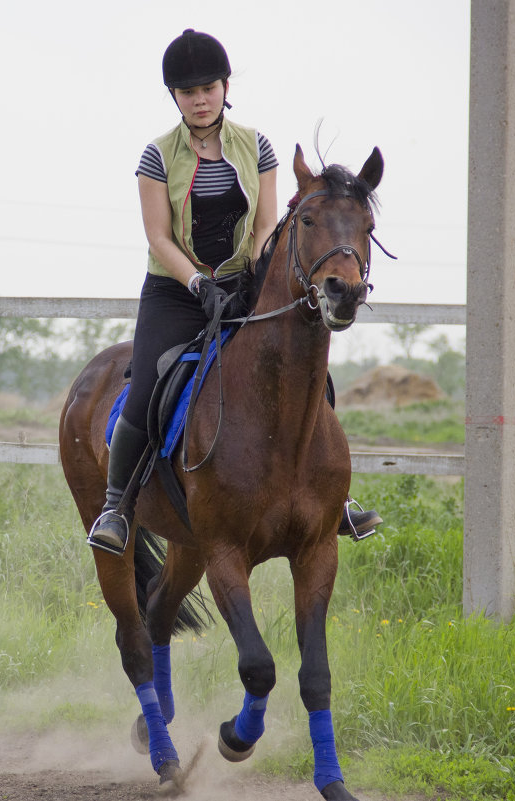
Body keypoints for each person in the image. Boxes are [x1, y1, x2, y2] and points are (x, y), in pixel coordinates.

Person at [87, 29, 381, 556]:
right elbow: (158, 235)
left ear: (225, 87)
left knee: (311, 373)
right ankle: (116, 504)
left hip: (244, 284)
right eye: (187, 92)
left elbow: (267, 224)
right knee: (150, 380)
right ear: (175, 97)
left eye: (208, 88)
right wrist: (198, 283)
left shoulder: (256, 145)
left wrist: (258, 280)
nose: (200, 100)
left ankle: (335, 500)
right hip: (175, 290)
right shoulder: (157, 156)